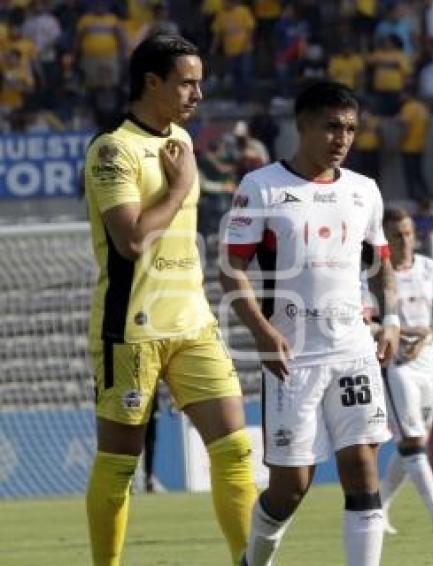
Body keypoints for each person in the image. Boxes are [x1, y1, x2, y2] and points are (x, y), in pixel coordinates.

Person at [83, 34, 256, 566]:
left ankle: (251, 561)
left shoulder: (179, 138)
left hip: (193, 321)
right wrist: (179, 188)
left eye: (199, 82)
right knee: (120, 463)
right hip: (131, 329)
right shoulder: (113, 149)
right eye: (187, 82)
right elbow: (130, 240)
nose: (197, 94)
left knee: (235, 450)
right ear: (151, 82)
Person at [220, 79, 400, 566]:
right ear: (301, 126)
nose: (342, 138)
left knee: (364, 470)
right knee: (290, 488)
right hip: (292, 357)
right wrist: (261, 331)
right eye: (331, 127)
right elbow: (230, 267)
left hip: (353, 351)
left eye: (349, 128)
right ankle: (254, 560)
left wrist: (392, 318)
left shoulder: (365, 191)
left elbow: (381, 263)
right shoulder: (262, 187)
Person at [378, 206, 433, 535]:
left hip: (430, 359)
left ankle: (379, 504)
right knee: (413, 439)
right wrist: (392, 333)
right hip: (395, 363)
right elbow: (364, 319)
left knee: (413, 441)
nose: (404, 241)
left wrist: (431, 334)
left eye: (408, 233)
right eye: (396, 235)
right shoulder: (374, 274)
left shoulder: (429, 268)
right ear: (384, 238)